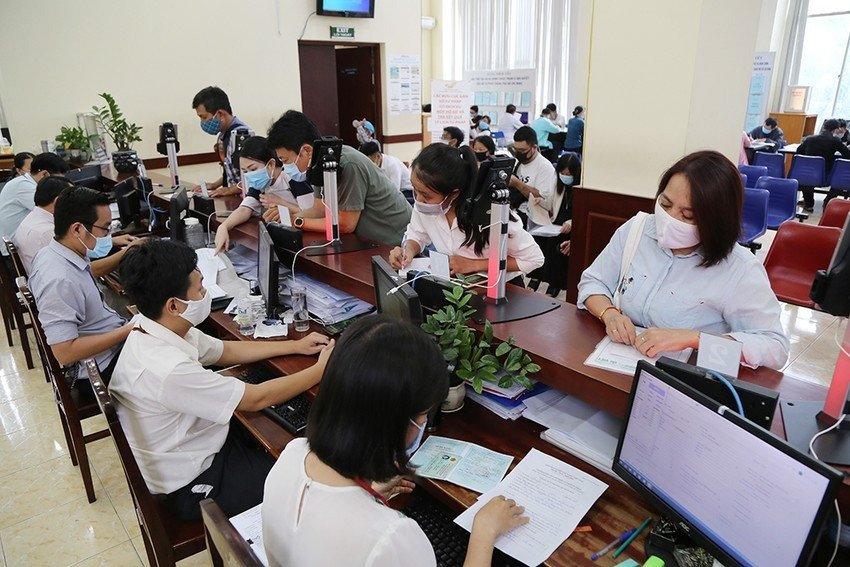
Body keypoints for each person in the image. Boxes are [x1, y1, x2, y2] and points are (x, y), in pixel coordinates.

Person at [262, 315, 528, 566]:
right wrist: (484, 531)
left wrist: (369, 493)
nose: (424, 423)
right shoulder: (390, 536)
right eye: (424, 414)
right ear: (395, 422)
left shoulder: (292, 454)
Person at [110, 239, 333, 520]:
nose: (205, 293)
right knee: (299, 483)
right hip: (191, 483)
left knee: (281, 442)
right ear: (173, 305)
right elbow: (256, 398)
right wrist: (321, 370)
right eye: (200, 288)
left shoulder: (152, 325)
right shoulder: (168, 368)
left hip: (195, 447)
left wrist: (295, 346)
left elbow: (224, 351)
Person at [577, 150, 789, 370]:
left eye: (687, 216)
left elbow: (775, 347)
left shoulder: (739, 268)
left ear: (716, 222)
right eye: (665, 204)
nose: (669, 219)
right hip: (615, 364)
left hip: (684, 377)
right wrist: (609, 314)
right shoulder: (637, 230)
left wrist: (692, 339)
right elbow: (593, 282)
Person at [28, 187, 135, 391]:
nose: (107, 235)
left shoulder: (56, 252)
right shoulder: (59, 280)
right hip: (99, 369)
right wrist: (129, 330)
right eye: (105, 228)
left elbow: (80, 277)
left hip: (109, 346)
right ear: (77, 229)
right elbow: (64, 352)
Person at [388, 144, 543, 279]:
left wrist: (474, 264)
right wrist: (407, 251)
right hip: (459, 286)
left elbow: (533, 259)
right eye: (415, 190)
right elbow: (416, 235)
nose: (419, 199)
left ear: (453, 194)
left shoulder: (491, 213)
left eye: (426, 195)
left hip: (501, 289)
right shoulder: (426, 206)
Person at [266, 110, 412, 246]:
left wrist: (297, 221)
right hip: (367, 241)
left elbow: (345, 224)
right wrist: (285, 219)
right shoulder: (318, 162)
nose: (285, 167)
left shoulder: (346, 164)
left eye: (285, 160)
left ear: (306, 150)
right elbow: (319, 210)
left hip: (396, 240)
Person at [14, 176, 142, 275]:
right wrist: (127, 252)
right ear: (58, 201)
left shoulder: (34, 219)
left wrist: (110, 242)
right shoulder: (46, 232)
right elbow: (84, 270)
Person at [213, 136, 314, 254]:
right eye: (245, 171)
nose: (250, 175)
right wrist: (224, 226)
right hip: (282, 235)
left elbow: (312, 214)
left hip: (306, 239)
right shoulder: (259, 185)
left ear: (271, 164)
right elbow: (244, 209)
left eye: (253, 169)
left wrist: (281, 204)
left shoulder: (293, 178)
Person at [527, 153, 580, 298]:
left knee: (557, 247)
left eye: (568, 174)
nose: (564, 176)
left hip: (571, 226)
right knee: (539, 240)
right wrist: (541, 201)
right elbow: (552, 204)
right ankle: (537, 276)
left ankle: (555, 283)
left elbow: (581, 213)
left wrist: (571, 223)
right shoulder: (558, 183)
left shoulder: (580, 189)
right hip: (555, 224)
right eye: (562, 173)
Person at [0, 152, 68, 257]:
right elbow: (58, 211)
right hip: (16, 253)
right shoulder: (23, 186)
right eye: (59, 181)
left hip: (23, 244)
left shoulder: (24, 182)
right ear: (44, 174)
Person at [192, 86, 253, 197]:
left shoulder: (241, 136)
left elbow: (253, 176)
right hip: (233, 197)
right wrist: (215, 185)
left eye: (204, 117)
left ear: (220, 114)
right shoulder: (223, 136)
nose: (202, 122)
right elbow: (232, 173)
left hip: (246, 199)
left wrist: (231, 190)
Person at [797, 118, 850, 211]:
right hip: (826, 175)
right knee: (840, 177)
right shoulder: (835, 141)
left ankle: (809, 204)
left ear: (824, 127)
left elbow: (799, 151)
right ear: (835, 130)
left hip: (809, 173)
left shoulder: (810, 139)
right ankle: (828, 202)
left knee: (807, 177)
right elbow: (847, 155)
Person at [508, 126, 557, 228]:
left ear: (534, 147)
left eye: (522, 150)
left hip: (532, 217)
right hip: (515, 211)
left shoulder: (544, 167)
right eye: (516, 149)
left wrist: (518, 184)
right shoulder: (519, 163)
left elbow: (542, 198)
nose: (519, 153)